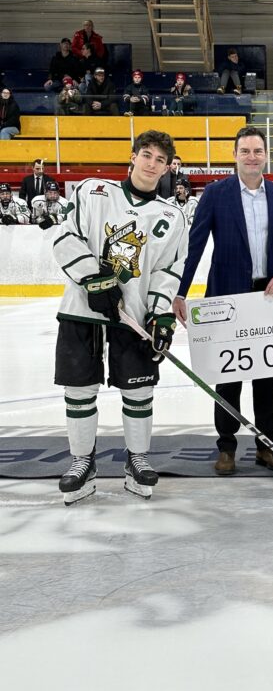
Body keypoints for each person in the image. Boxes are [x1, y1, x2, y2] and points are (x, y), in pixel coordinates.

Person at [52, 129, 188, 504]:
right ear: (133, 156)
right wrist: (93, 280)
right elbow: (65, 237)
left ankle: (136, 460)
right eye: (146, 155)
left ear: (167, 168)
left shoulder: (171, 216)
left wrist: (161, 316)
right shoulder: (93, 192)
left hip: (135, 317)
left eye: (160, 160)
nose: (152, 164)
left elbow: (167, 270)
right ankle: (83, 462)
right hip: (82, 311)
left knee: (139, 389)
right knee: (79, 390)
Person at [173, 127, 273, 476]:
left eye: (257, 151)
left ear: (266, 156)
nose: (251, 157)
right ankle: (226, 447)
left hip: (267, 298)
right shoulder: (215, 194)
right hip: (226, 298)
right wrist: (181, 291)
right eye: (244, 151)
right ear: (235, 155)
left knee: (266, 377)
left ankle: (266, 446)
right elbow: (195, 247)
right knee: (228, 377)